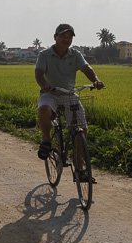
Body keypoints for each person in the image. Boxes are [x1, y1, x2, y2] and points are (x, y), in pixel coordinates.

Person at [35, 23, 104, 162]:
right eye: (63, 36)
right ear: (55, 37)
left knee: (81, 129)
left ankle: (79, 163)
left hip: (69, 94)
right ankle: (47, 140)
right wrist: (44, 86)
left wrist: (96, 80)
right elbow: (39, 73)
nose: (66, 39)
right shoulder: (45, 54)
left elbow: (86, 68)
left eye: (69, 37)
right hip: (51, 93)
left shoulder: (75, 54)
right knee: (43, 109)